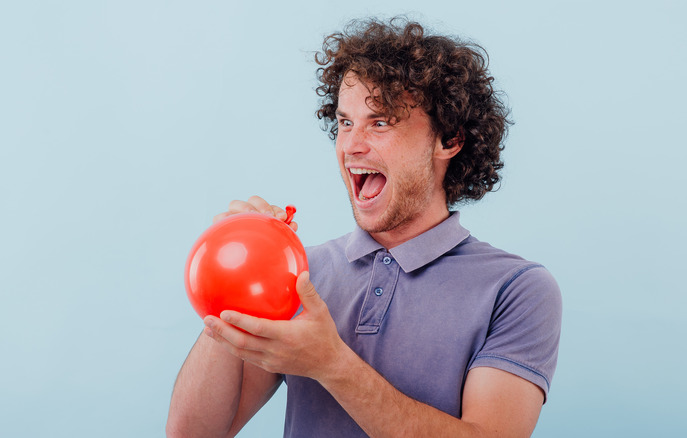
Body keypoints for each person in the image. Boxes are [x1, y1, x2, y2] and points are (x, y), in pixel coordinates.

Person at [167, 17, 561, 438]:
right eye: (344, 122)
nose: (351, 145)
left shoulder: (517, 289)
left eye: (381, 122)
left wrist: (332, 363)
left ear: (448, 140)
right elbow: (193, 433)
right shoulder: (302, 275)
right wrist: (233, 276)